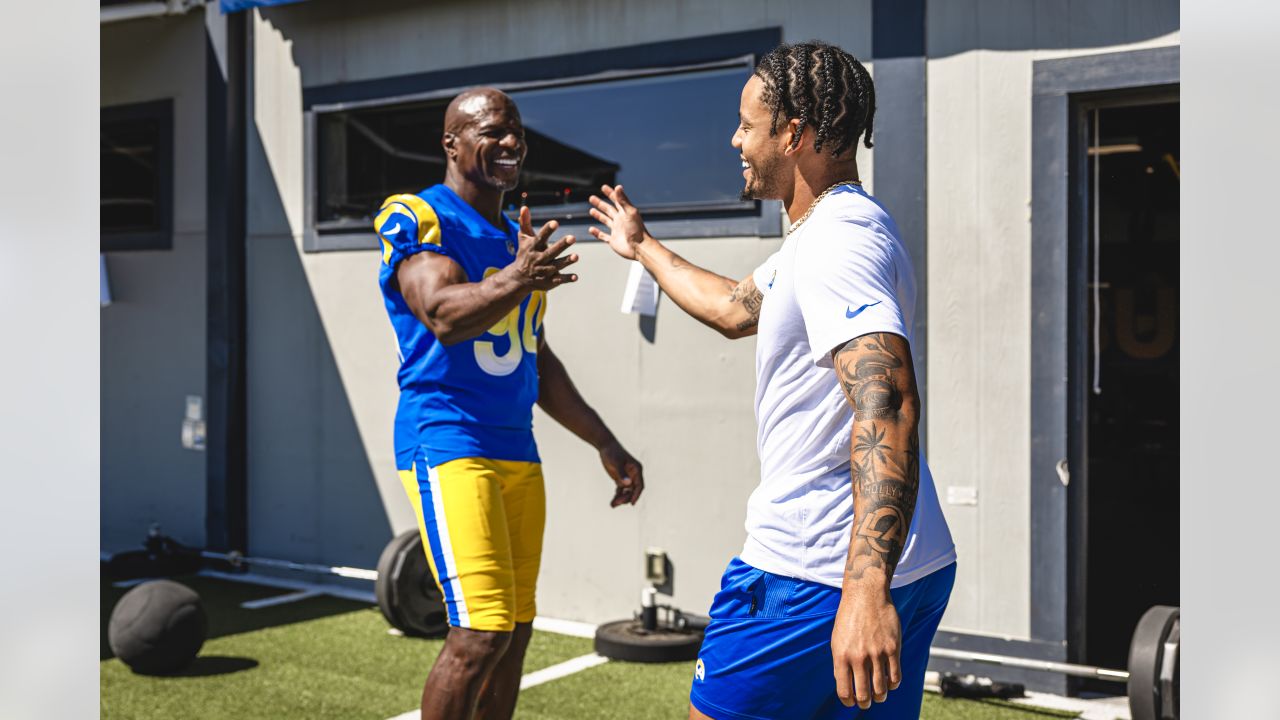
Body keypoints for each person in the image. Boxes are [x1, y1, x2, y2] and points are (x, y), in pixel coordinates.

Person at [589, 41, 956, 719]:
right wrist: (640, 245)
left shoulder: (834, 246)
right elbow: (732, 307)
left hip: (814, 575)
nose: (735, 139)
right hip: (901, 561)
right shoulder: (836, 233)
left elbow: (890, 402)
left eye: (746, 125)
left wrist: (865, 592)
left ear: (795, 134)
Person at [374, 87, 644, 720]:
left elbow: (534, 358)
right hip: (448, 441)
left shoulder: (509, 234)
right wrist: (516, 277)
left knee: (516, 630)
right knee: (479, 632)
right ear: (452, 143)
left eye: (516, 131)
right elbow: (441, 313)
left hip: (515, 448)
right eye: (493, 131)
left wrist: (604, 441)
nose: (511, 142)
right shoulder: (418, 215)